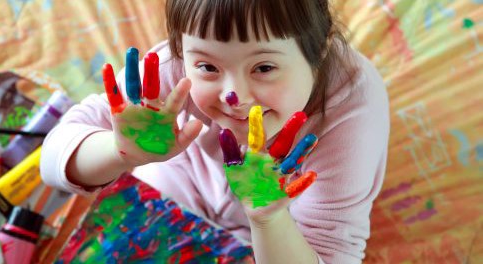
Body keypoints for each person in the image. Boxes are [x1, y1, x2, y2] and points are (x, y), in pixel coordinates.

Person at [40, 0, 390, 263]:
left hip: (278, 237)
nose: (233, 96)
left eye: (264, 67)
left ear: (320, 51)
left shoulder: (353, 109)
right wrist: (120, 151)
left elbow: (331, 254)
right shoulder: (172, 70)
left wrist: (268, 218)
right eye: (208, 66)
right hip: (173, 187)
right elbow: (52, 160)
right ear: (181, 51)